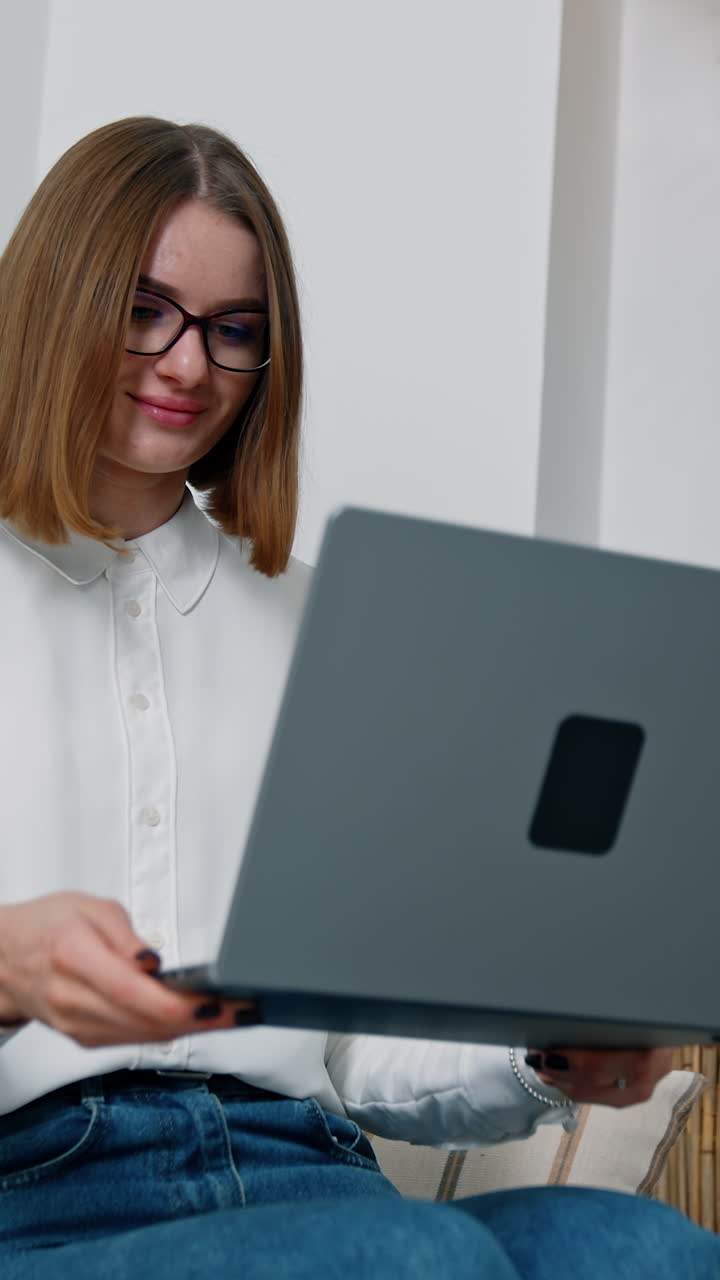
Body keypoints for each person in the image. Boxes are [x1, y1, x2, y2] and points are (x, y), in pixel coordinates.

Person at [0, 116, 715, 1280]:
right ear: (48, 301)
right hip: (41, 1191)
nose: (189, 365)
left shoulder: (324, 619)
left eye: (236, 330)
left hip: (307, 1158)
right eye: (142, 309)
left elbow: (367, 1049)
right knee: (404, 1251)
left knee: (645, 1248)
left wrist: (544, 1053)